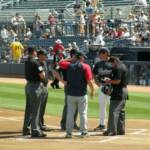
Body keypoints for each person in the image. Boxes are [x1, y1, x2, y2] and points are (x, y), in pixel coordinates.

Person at [59, 51, 95, 138]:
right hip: (82, 94)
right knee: (83, 113)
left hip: (70, 93)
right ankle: (83, 132)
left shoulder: (69, 65)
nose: (84, 58)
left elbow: (60, 62)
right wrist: (92, 90)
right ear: (81, 57)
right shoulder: (86, 66)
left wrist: (71, 58)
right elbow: (89, 81)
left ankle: (69, 133)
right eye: (83, 57)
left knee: (70, 113)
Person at [22, 46, 47, 137]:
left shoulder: (27, 61)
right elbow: (42, 76)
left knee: (29, 109)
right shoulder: (36, 63)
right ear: (33, 52)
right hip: (35, 86)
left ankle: (26, 128)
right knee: (36, 109)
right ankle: (35, 130)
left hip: (28, 86)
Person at [103, 56, 128, 136]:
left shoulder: (118, 68)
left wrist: (108, 81)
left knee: (113, 111)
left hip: (118, 91)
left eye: (111, 63)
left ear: (114, 61)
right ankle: (121, 130)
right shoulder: (124, 66)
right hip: (124, 90)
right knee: (121, 112)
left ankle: (111, 131)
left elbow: (117, 81)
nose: (111, 65)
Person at [93, 47, 112, 131]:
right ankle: (102, 124)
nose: (99, 55)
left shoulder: (112, 62)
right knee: (102, 106)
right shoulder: (98, 64)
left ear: (105, 53)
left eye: (100, 53)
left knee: (112, 106)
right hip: (102, 87)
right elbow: (94, 73)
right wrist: (97, 82)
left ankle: (112, 124)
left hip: (111, 87)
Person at [59, 49, 79, 131]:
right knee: (68, 105)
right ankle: (64, 124)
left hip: (78, 86)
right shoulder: (66, 63)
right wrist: (70, 59)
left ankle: (73, 123)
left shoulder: (78, 63)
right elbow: (59, 64)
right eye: (76, 55)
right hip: (69, 85)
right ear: (73, 55)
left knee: (76, 105)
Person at [37, 49, 51, 131]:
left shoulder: (44, 63)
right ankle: (38, 124)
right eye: (44, 55)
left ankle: (41, 123)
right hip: (40, 86)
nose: (46, 56)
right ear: (39, 55)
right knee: (39, 107)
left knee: (42, 107)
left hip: (45, 86)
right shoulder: (37, 63)